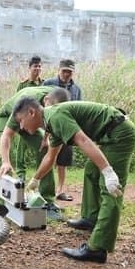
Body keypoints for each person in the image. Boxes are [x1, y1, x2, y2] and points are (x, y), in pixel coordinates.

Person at [12, 98, 135, 263]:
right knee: (91, 171)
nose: (21, 127)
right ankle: (91, 218)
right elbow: (51, 157)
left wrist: (108, 172)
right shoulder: (51, 122)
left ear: (31, 112)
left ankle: (97, 248)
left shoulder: (55, 116)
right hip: (110, 134)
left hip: (120, 133)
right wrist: (35, 180)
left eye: (21, 120)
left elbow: (83, 140)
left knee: (111, 189)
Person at [0, 86, 70, 220]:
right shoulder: (26, 104)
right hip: (11, 114)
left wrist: (46, 138)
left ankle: (47, 201)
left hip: (31, 117)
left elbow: (51, 123)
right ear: (46, 101)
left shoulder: (55, 101)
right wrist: (5, 161)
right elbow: (6, 135)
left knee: (45, 149)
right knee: (4, 157)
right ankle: (3, 205)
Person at [43, 59, 82, 202]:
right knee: (47, 157)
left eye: (69, 72)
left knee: (63, 161)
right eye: (64, 71)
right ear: (59, 70)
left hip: (66, 127)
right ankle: (45, 188)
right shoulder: (48, 84)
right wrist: (45, 133)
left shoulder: (76, 89)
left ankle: (60, 190)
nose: (66, 74)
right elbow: (43, 104)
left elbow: (78, 108)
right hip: (49, 126)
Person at [14, 56, 44, 183]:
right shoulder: (23, 85)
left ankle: (40, 174)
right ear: (29, 68)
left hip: (38, 120)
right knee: (21, 148)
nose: (37, 69)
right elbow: (17, 103)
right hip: (25, 120)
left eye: (39, 66)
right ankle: (20, 174)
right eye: (35, 66)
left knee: (42, 146)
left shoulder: (44, 84)